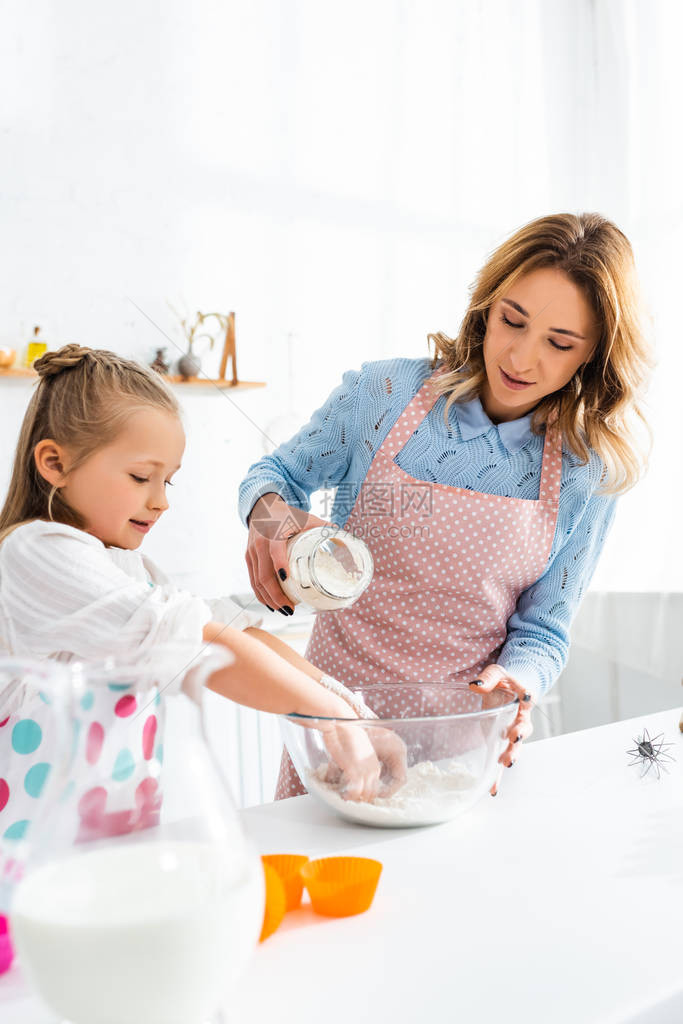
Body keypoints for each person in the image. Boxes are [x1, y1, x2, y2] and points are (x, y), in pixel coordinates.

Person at [240, 211, 653, 799]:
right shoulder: (383, 395)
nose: (521, 358)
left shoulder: (589, 471)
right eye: (512, 321)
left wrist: (519, 679)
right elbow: (273, 475)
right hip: (339, 735)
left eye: (559, 344)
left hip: (463, 755)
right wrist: (272, 524)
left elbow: (544, 630)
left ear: (592, 356)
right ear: (487, 306)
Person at [0, 345, 406, 845]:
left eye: (167, 480)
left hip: (116, 850)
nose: (161, 500)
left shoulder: (132, 569)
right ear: (54, 463)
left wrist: (353, 713)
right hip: (31, 863)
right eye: (140, 477)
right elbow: (195, 639)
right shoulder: (35, 553)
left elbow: (232, 630)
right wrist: (330, 720)